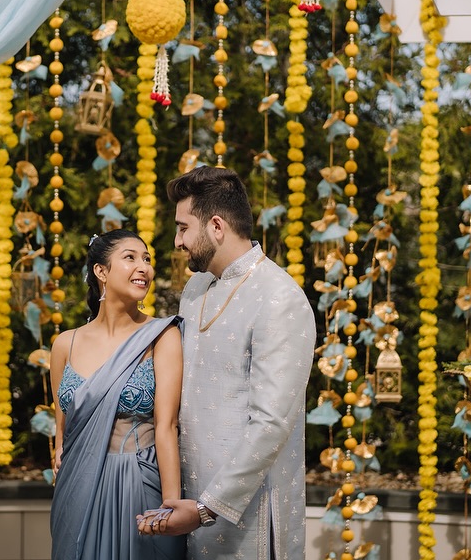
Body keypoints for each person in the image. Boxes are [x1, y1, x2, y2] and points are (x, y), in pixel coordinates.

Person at [138, 166, 315, 559]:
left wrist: (207, 508)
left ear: (216, 226)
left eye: (183, 228)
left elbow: (271, 422)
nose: (177, 241)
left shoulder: (278, 297)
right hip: (187, 504)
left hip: (244, 514)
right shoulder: (196, 288)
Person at [49, 229, 186, 560]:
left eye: (147, 259)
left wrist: (171, 507)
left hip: (138, 485)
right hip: (77, 491)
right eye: (131, 258)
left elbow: (167, 428)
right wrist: (60, 458)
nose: (144, 267)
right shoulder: (65, 344)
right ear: (101, 271)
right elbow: (62, 431)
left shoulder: (162, 337)